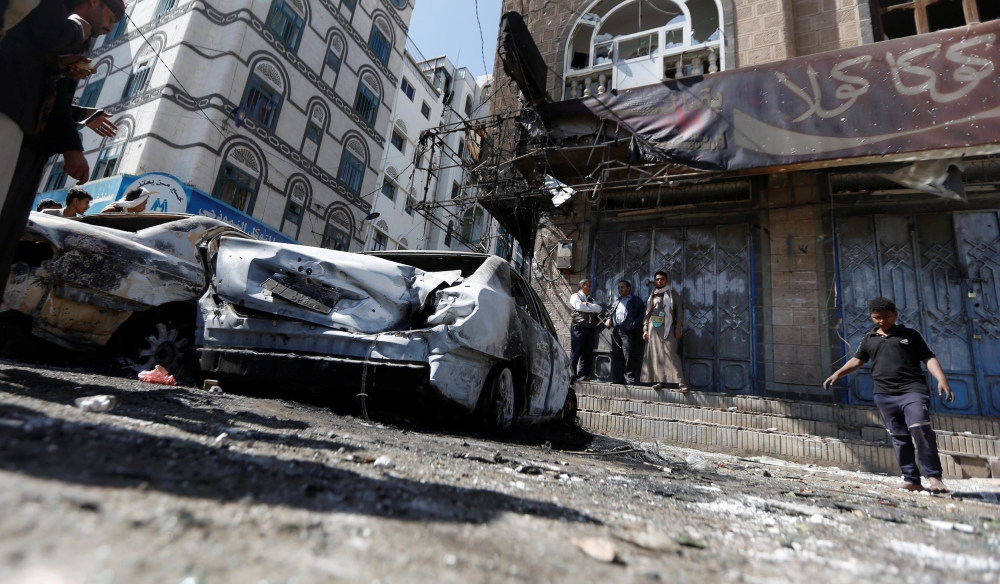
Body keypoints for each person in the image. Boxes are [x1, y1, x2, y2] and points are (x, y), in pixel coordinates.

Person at [824, 297, 954, 494]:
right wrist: (837, 373)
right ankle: (911, 479)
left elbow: (928, 357)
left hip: (913, 390)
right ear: (872, 317)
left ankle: (935, 478)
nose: (882, 321)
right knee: (899, 436)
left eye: (886, 316)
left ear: (895, 315)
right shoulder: (869, 339)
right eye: (877, 318)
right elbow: (857, 360)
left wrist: (942, 380)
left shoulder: (910, 335)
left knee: (921, 430)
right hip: (884, 394)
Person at [641, 270, 687, 392]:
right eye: (657, 279)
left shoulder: (673, 295)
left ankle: (681, 383)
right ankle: (659, 381)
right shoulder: (653, 295)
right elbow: (647, 314)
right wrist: (645, 329)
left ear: (666, 281)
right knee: (655, 354)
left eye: (662, 279)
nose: (659, 281)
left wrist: (678, 327)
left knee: (671, 354)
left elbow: (679, 313)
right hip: (653, 328)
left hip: (668, 328)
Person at [605, 279, 643, 385]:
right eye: (619, 288)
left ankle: (629, 380)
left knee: (629, 356)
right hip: (616, 331)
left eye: (622, 287)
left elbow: (641, 314)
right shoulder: (617, 300)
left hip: (629, 332)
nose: (620, 289)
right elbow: (612, 311)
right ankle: (617, 380)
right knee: (617, 356)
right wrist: (609, 319)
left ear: (628, 288)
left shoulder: (636, 300)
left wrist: (633, 324)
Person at [569, 279, 602, 381]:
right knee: (576, 352)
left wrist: (587, 304)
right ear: (582, 286)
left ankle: (583, 376)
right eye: (589, 286)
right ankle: (571, 376)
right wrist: (592, 309)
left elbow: (599, 309)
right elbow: (578, 306)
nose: (591, 288)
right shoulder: (575, 296)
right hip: (578, 327)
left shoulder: (590, 299)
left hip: (589, 328)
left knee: (587, 354)